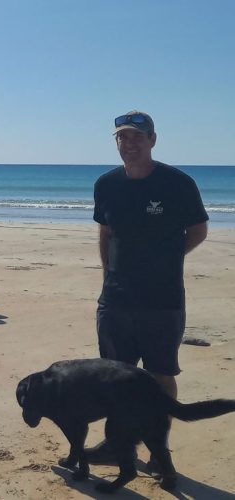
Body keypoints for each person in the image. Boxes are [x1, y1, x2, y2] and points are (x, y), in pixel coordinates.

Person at [87, 111, 208, 465]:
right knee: (114, 375)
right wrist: (108, 274)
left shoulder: (177, 183)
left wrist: (167, 260)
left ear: (153, 140)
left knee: (160, 375)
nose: (130, 144)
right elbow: (105, 232)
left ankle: (159, 450)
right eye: (123, 138)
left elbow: (198, 230)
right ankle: (116, 444)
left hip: (162, 300)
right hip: (116, 299)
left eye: (138, 137)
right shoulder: (106, 184)